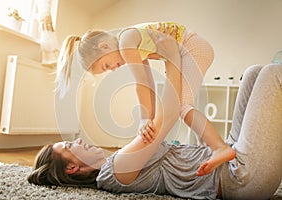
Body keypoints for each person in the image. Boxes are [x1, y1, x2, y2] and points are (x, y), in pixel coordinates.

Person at [28, 64, 282, 199]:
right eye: (70, 147)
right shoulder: (114, 172)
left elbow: (150, 107)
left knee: (254, 73)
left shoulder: (119, 160)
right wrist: (172, 55)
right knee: (274, 75)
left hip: (231, 156)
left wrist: (141, 60)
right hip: (240, 180)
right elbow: (168, 114)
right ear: (72, 168)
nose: (78, 140)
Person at [55, 21, 235, 176]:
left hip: (193, 48)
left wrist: (144, 119)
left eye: (107, 65)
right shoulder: (132, 44)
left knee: (182, 106)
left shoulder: (126, 43)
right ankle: (206, 146)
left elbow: (140, 82)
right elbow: (149, 81)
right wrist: (152, 118)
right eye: (108, 70)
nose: (113, 69)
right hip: (193, 47)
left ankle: (219, 147)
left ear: (104, 47)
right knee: (184, 103)